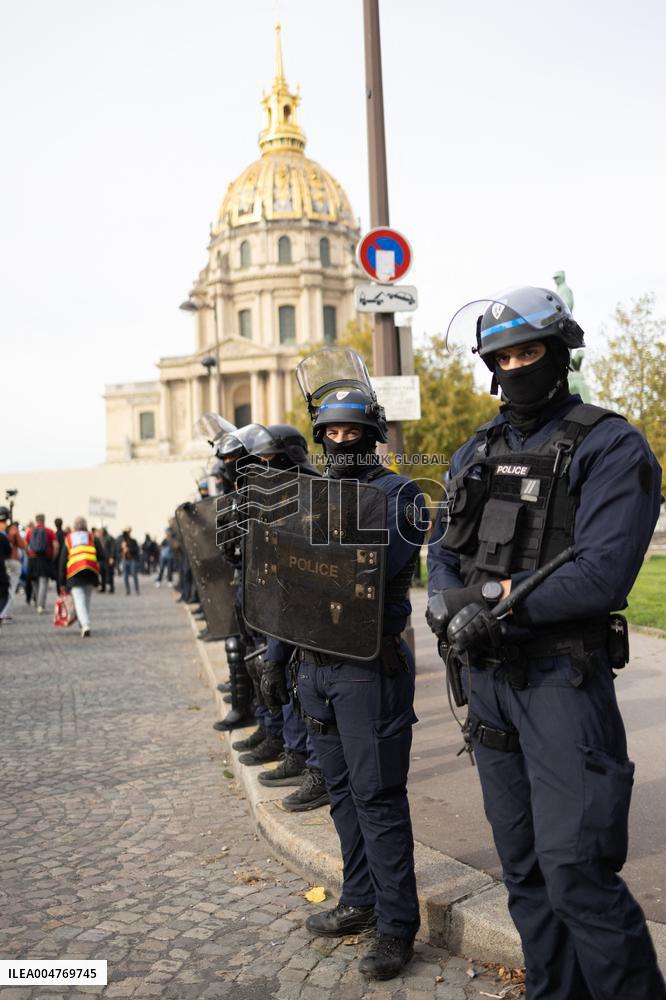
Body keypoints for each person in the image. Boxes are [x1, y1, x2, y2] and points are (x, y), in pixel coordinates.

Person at [426, 286, 665, 999]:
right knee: (524, 873)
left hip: (563, 681)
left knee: (577, 874)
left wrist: (487, 603)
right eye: (502, 358)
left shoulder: (610, 444)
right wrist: (443, 604)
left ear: (559, 354)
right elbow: (444, 549)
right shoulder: (475, 450)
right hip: (488, 686)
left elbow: (600, 575)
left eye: (528, 352)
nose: (515, 367)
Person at [274, 348, 426, 980]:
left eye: (352, 431)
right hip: (316, 666)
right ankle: (360, 899)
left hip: (368, 665)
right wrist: (279, 659)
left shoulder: (402, 494)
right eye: (331, 433)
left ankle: (396, 925)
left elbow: (369, 570)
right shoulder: (309, 496)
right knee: (339, 792)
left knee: (377, 797)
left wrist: (312, 539)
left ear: (372, 433)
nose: (341, 442)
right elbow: (285, 583)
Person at [58, 516, 100, 637]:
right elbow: (101, 555)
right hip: (90, 572)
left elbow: (63, 561)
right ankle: (83, 623)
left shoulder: (69, 539)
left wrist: (61, 581)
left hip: (74, 573)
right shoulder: (92, 537)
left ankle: (85, 624)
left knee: (79, 601)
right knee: (86, 600)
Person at [25, 514, 59, 613]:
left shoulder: (30, 531)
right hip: (45, 559)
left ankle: (37, 603)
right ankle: (40, 606)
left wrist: (28, 555)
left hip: (32, 559)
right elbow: (56, 546)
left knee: (34, 581)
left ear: (36, 521)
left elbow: (25, 545)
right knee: (43, 582)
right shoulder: (49, 531)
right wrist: (53, 557)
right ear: (44, 520)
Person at [0, 513, 25, 622]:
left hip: (3, 562)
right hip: (12, 560)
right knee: (10, 588)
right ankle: (4, 613)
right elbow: (22, 545)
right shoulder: (11, 530)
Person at [119, 528, 140, 595]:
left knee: (134, 575)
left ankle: (137, 590)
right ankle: (127, 590)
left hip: (132, 560)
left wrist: (129, 549)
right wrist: (122, 549)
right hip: (125, 560)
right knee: (125, 576)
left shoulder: (133, 541)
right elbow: (118, 551)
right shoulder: (122, 542)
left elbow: (136, 550)